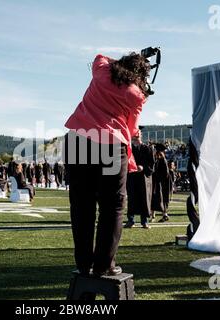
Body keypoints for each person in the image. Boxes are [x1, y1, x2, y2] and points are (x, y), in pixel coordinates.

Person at [64, 52, 150, 276]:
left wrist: (120, 63)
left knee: (81, 205)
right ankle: (104, 264)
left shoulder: (102, 71)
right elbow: (131, 130)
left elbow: (100, 56)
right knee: (112, 206)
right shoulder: (137, 94)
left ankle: (83, 263)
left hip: (79, 139)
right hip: (110, 145)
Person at [124, 126, 155, 229]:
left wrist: (143, 167)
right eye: (134, 134)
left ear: (141, 135)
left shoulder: (148, 149)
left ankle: (144, 221)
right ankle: (130, 220)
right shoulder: (129, 149)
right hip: (132, 177)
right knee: (131, 199)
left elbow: (152, 164)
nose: (136, 136)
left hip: (144, 178)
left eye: (138, 134)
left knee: (144, 199)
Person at [151, 144, 171, 223]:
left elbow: (166, 173)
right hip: (158, 182)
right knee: (157, 199)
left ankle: (162, 215)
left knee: (158, 199)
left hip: (159, 183)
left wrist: (158, 178)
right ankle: (158, 215)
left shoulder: (161, 159)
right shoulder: (158, 158)